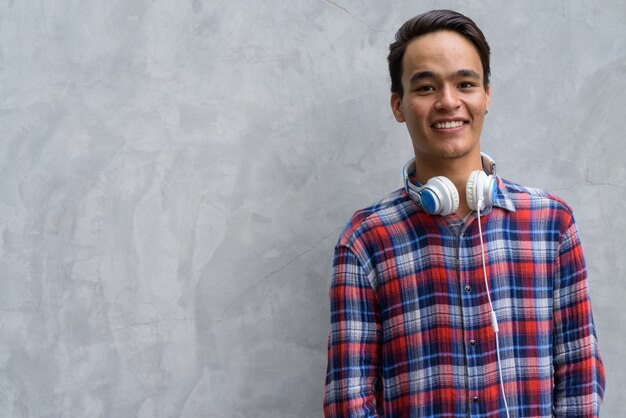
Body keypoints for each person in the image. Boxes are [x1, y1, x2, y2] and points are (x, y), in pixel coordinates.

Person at [323, 9, 605, 417]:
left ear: (486, 95)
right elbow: (348, 398)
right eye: (425, 87)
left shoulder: (551, 223)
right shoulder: (366, 239)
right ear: (398, 105)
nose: (448, 101)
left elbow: (580, 374)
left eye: (465, 83)